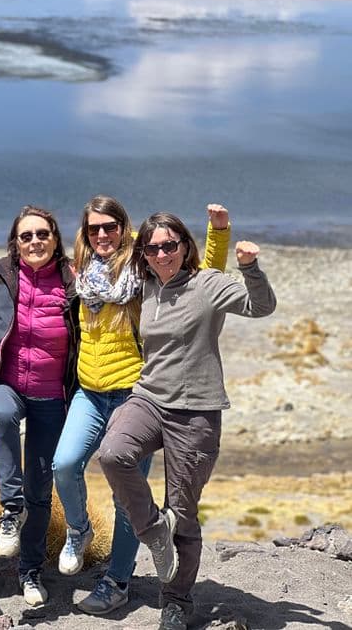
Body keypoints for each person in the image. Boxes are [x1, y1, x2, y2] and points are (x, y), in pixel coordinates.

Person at [97, 212, 276, 630]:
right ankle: (153, 530)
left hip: (196, 411)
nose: (162, 254)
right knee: (113, 453)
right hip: (149, 399)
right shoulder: (146, 286)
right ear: (144, 253)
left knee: (184, 511)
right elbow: (104, 253)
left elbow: (261, 306)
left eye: (169, 245)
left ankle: (176, 601)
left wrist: (249, 267)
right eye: (153, 248)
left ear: (184, 246)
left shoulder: (208, 284)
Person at [52, 198, 230, 615]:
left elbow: (200, 272)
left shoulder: (141, 268)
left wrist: (219, 233)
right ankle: (80, 530)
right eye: (93, 228)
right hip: (89, 391)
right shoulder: (80, 272)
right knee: (65, 464)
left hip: (134, 392)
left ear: (123, 227)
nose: (102, 234)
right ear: (84, 233)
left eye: (110, 226)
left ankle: (117, 581)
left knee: (125, 497)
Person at [0, 205, 79, 608]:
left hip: (52, 397)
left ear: (55, 238)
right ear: (15, 243)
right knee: (1, 414)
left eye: (42, 234)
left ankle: (31, 570)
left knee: (41, 488)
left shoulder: (73, 279)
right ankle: (9, 507)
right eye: (26, 236)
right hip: (6, 384)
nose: (35, 241)